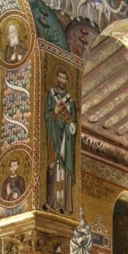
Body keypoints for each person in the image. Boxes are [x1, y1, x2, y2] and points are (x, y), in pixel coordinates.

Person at [44, 67, 77, 215]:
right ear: (57, 78)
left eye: (64, 78)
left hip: (66, 141)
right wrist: (54, 112)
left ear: (67, 81)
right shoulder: (52, 95)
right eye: (60, 77)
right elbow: (46, 115)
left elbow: (74, 122)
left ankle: (64, 204)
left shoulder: (71, 101)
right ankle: (52, 202)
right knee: (53, 167)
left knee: (64, 171)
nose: (61, 80)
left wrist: (71, 127)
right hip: (54, 138)